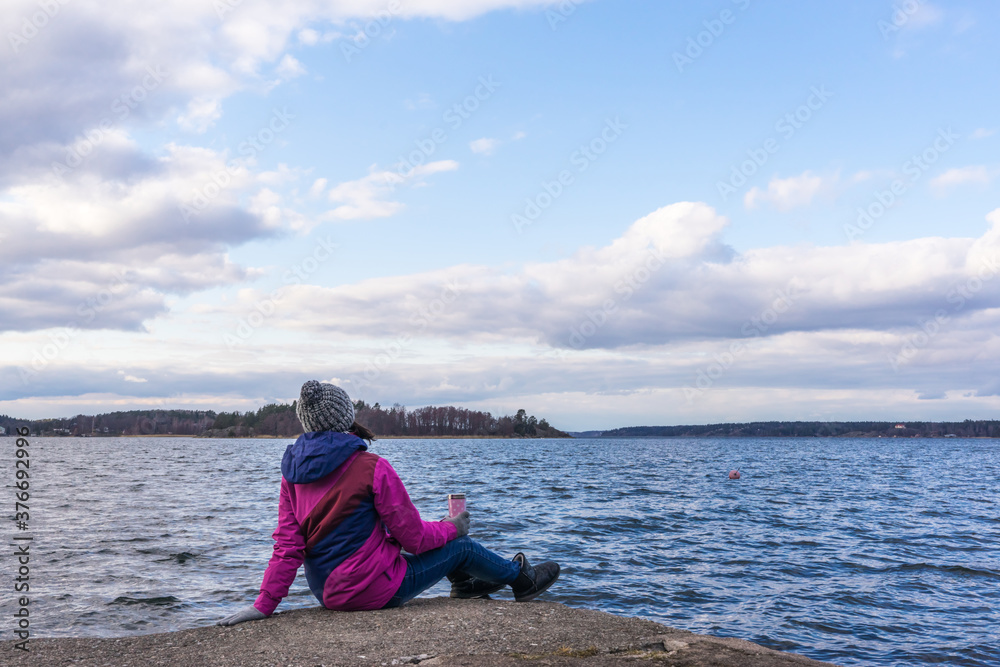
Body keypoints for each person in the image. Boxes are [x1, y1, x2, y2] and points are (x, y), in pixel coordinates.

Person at [217, 380, 559, 626]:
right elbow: (415, 539)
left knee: (439, 534)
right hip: (373, 591)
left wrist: (263, 606)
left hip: (327, 593)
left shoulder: (291, 473)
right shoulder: (371, 467)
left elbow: (288, 547)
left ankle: (467, 585)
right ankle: (521, 580)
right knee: (461, 545)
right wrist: (453, 528)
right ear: (345, 416)